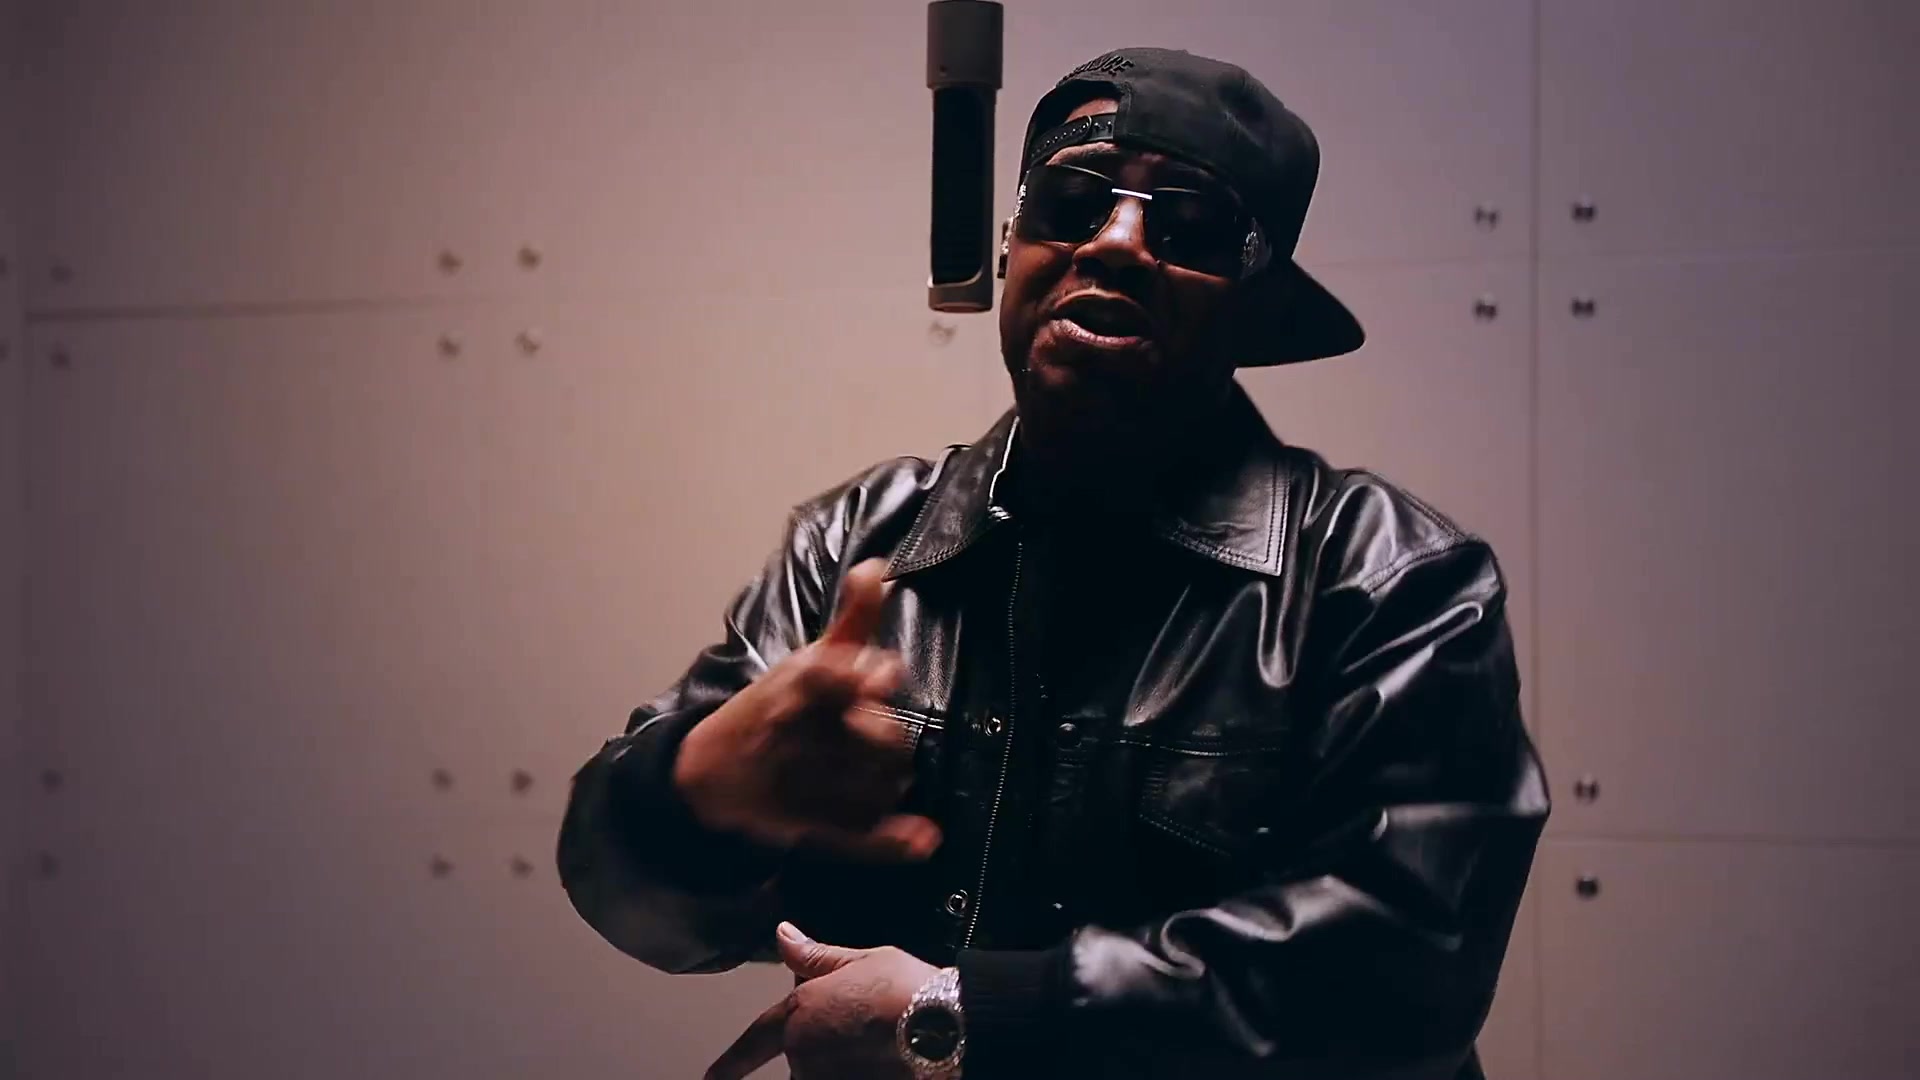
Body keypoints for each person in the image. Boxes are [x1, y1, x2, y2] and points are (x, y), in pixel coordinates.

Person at [557, 47, 1548, 1080]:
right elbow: (623, 897)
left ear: (1257, 302)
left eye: (1188, 225)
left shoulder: (1391, 583)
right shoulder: (856, 546)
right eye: (1072, 201)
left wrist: (964, 1018)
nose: (1115, 242)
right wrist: (688, 798)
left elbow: (1408, 972)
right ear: (1011, 244)